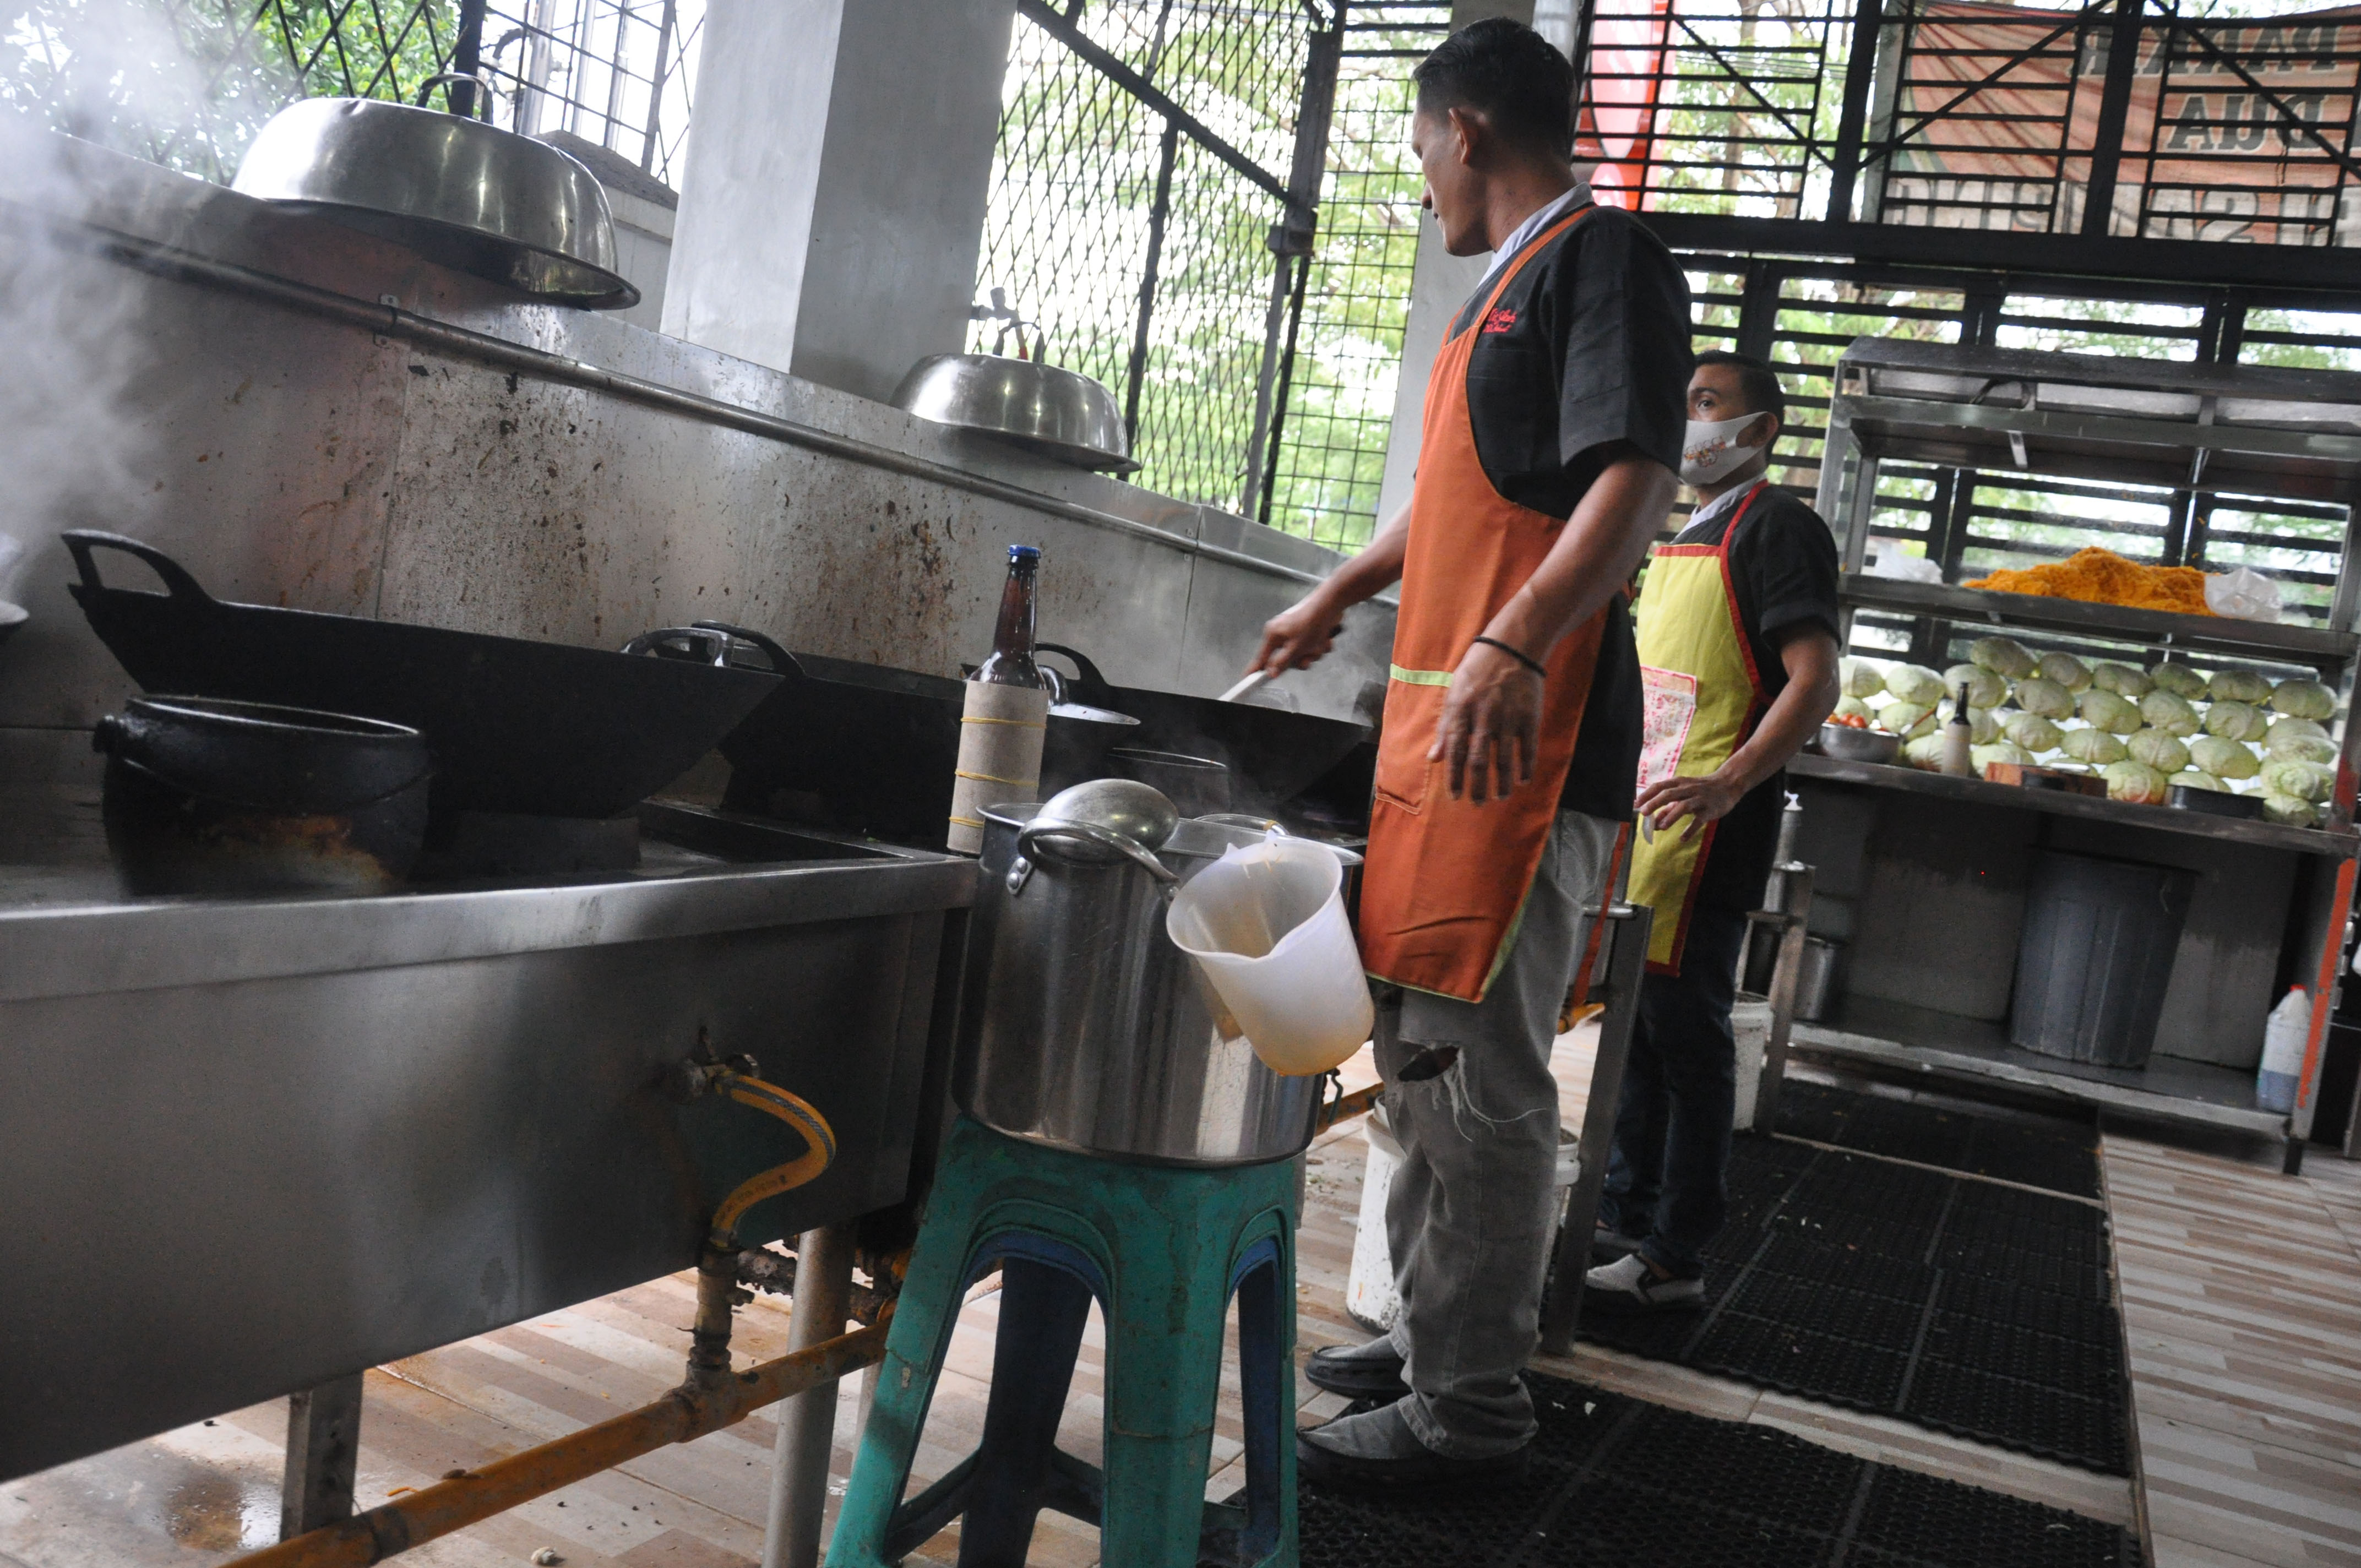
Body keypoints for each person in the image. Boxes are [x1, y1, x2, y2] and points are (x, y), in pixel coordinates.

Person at [1246, 18, 1689, 1487]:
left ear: (1467, 130)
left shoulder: (1602, 260)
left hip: (1524, 748)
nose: (1421, 175)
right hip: (1446, 738)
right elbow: (1450, 508)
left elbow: (1635, 477)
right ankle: (1430, 1331)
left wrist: (1514, 641)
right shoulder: (1490, 300)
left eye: (1420, 146)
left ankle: (1470, 1407)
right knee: (1421, 1065)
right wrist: (1337, 590)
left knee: (1486, 1084)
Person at [1583, 350, 1842, 1310]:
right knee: (1639, 1033)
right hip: (1653, 821)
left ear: (1761, 429)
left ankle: (1675, 1255)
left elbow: (1815, 681)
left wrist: (1731, 783)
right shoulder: (1681, 533)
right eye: (1682, 402)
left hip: (1709, 830)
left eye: (1707, 403)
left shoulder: (1779, 527)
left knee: (1689, 1041)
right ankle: (1626, 1218)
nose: (1688, 420)